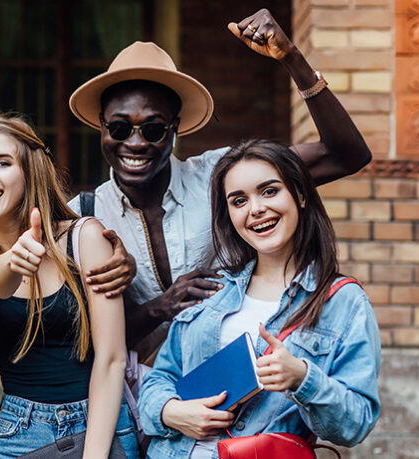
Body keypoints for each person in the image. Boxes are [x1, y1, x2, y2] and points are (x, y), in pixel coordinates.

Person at [67, 9, 373, 362]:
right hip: (134, 404)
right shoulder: (82, 218)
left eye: (153, 129)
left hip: (236, 393)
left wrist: (292, 59)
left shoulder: (223, 176)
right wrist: (158, 309)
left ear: (175, 128)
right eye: (119, 128)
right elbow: (77, 344)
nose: (135, 143)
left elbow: (346, 155)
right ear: (101, 127)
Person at [137, 139, 381, 458]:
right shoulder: (212, 289)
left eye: (269, 191)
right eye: (239, 200)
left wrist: (302, 378)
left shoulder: (343, 302)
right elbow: (159, 379)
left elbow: (354, 425)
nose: (256, 209)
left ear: (302, 195)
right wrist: (170, 412)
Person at [0, 113, 139, 458]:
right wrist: (13, 260)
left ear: (30, 171)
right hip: (21, 432)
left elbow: (112, 359)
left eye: (3, 162)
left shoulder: (85, 239)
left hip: (102, 424)